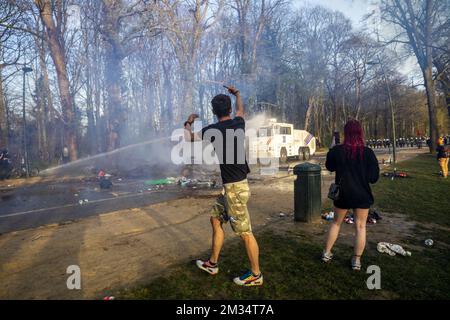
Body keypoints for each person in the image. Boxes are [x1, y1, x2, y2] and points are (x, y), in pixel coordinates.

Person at [183, 85, 263, 286]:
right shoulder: (238, 123)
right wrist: (237, 93)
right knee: (215, 219)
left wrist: (189, 122)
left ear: (213, 111)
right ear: (228, 109)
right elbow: (241, 110)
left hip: (235, 190)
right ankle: (212, 263)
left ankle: (256, 274)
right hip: (232, 188)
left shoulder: (212, 130)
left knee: (245, 232)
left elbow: (188, 138)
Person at [322, 120, 380, 271]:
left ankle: (326, 252)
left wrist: (331, 149)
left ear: (345, 133)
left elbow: (329, 166)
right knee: (360, 227)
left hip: (343, 194)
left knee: (336, 223)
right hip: (361, 194)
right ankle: (356, 261)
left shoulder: (337, 151)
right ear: (360, 133)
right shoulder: (367, 152)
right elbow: (374, 178)